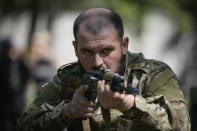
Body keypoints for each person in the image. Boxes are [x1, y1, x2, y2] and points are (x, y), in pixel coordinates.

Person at [16, 8, 190, 131]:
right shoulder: (69, 76)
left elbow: (182, 126)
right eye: (87, 52)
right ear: (76, 48)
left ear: (124, 45)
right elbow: (25, 124)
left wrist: (129, 104)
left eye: (106, 51)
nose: (97, 62)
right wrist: (67, 111)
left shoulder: (152, 73)